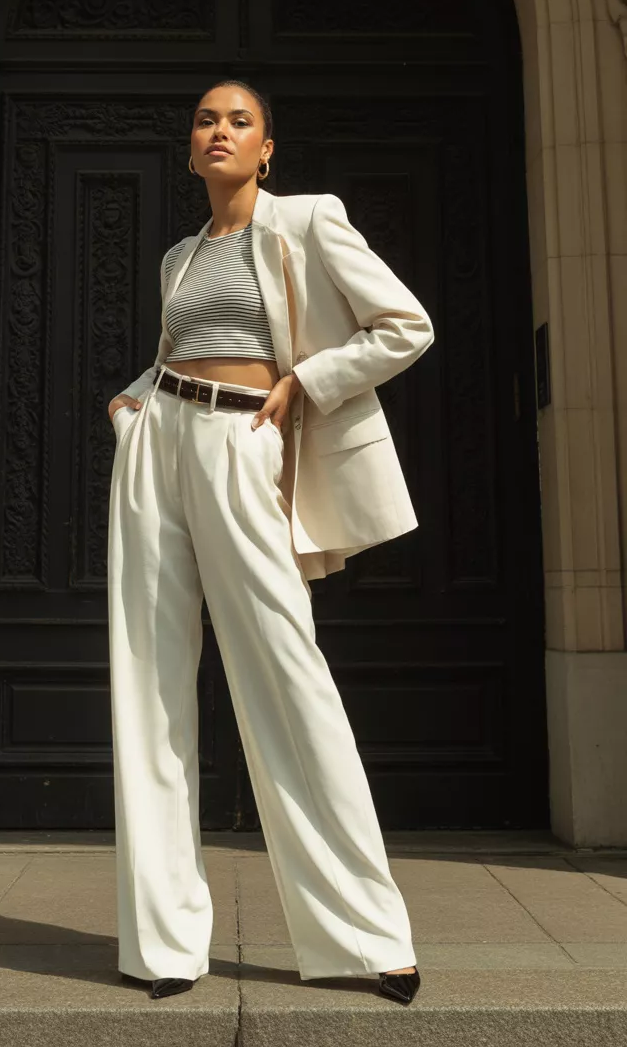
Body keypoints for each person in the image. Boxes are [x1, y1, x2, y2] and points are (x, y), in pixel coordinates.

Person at [106, 80, 434, 1006]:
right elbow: (188, 347)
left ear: (267, 148)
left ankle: (367, 938)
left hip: (244, 442)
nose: (219, 131)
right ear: (192, 147)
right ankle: (164, 944)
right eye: (206, 121)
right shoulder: (179, 255)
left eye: (237, 121)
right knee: (148, 680)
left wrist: (309, 384)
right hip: (158, 442)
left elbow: (406, 325)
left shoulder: (306, 220)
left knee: (288, 673)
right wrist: (133, 401)